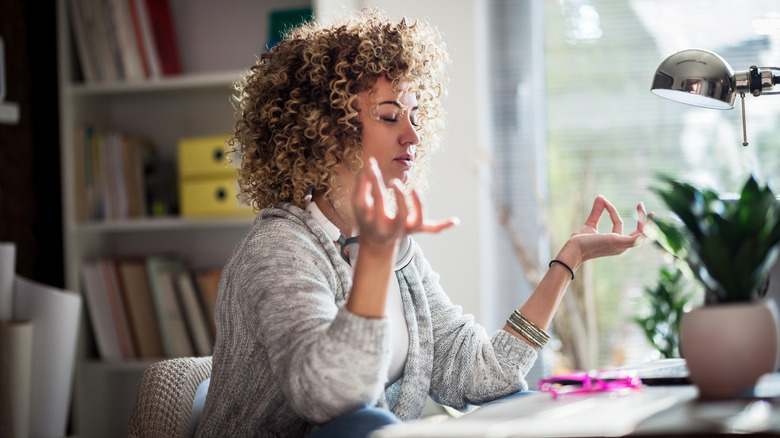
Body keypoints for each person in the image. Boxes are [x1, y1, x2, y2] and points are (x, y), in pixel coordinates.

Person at [195, 9, 649, 438]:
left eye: (414, 116)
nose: (412, 135)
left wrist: (566, 262)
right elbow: (331, 401)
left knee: (523, 403)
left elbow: (481, 376)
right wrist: (374, 258)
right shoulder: (279, 249)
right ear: (325, 129)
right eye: (390, 116)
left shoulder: (398, 251)